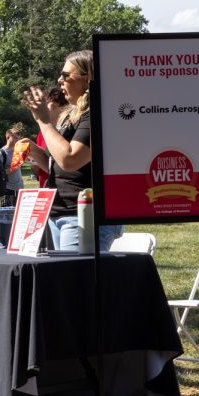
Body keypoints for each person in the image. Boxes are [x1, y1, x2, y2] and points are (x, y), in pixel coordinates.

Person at [21, 49, 123, 251]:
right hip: (60, 214)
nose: (60, 80)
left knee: (75, 280)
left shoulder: (97, 113)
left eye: (66, 75)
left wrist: (43, 121)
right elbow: (58, 164)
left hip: (83, 217)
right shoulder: (72, 115)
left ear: (87, 80)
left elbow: (71, 160)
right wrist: (34, 152)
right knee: (67, 280)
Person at [31, 87, 67, 187]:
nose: (39, 109)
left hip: (64, 190)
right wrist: (32, 152)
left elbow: (66, 165)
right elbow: (46, 166)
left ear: (53, 105)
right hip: (47, 191)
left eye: (44, 104)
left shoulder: (71, 130)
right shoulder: (42, 132)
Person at [0, 122, 26, 207]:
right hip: (7, 190)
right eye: (15, 137)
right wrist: (13, 168)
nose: (17, 139)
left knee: (19, 215)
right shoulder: (0, 153)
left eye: (18, 137)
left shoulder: (18, 151)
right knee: (6, 216)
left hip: (20, 189)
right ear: (8, 137)